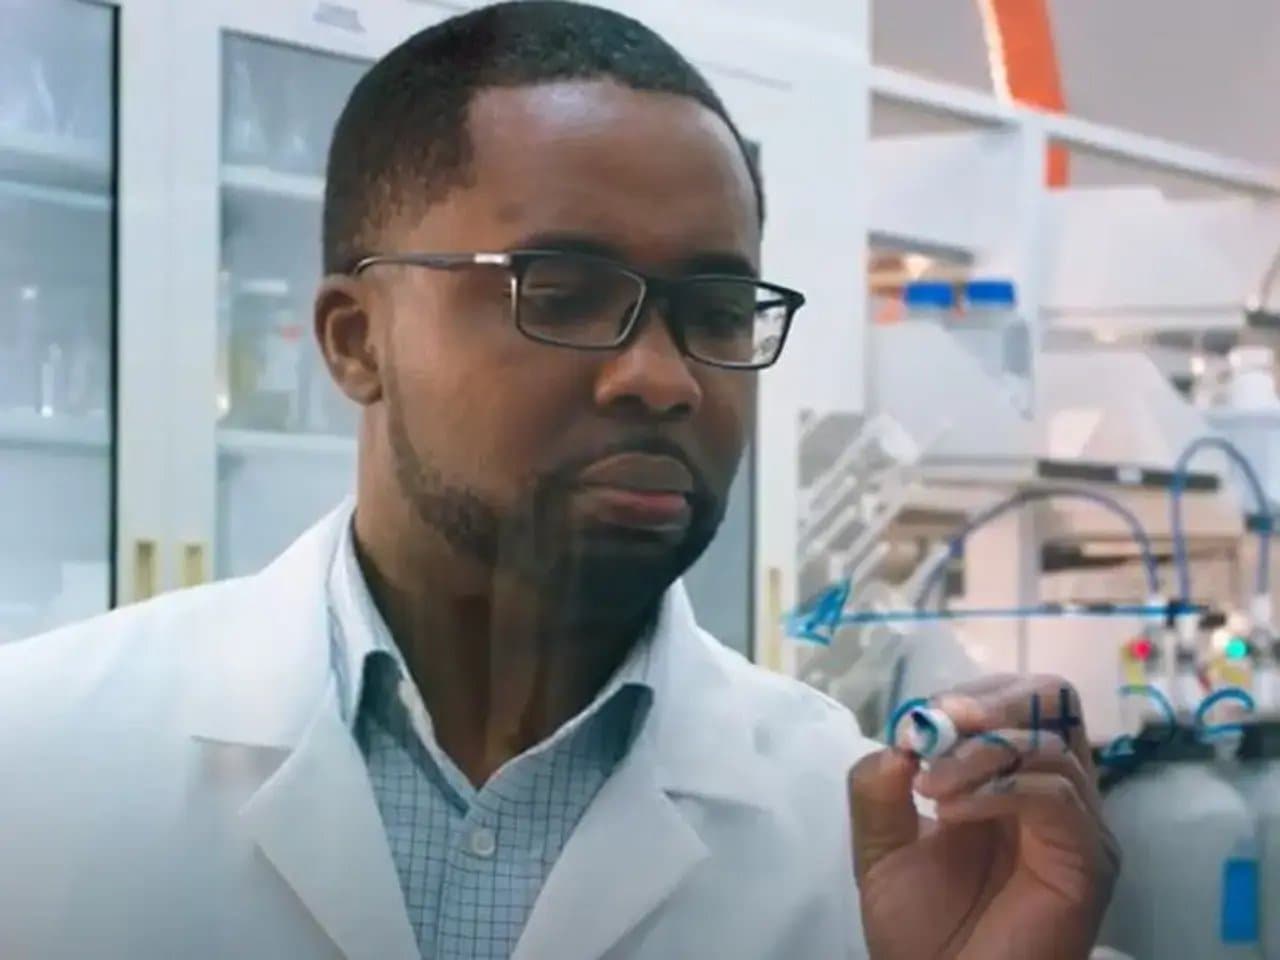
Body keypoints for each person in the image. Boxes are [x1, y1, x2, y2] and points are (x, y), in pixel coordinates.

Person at [0, 3, 1117, 958]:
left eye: (718, 311)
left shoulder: (858, 826)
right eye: (563, 290)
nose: (662, 377)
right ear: (354, 340)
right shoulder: (36, 758)